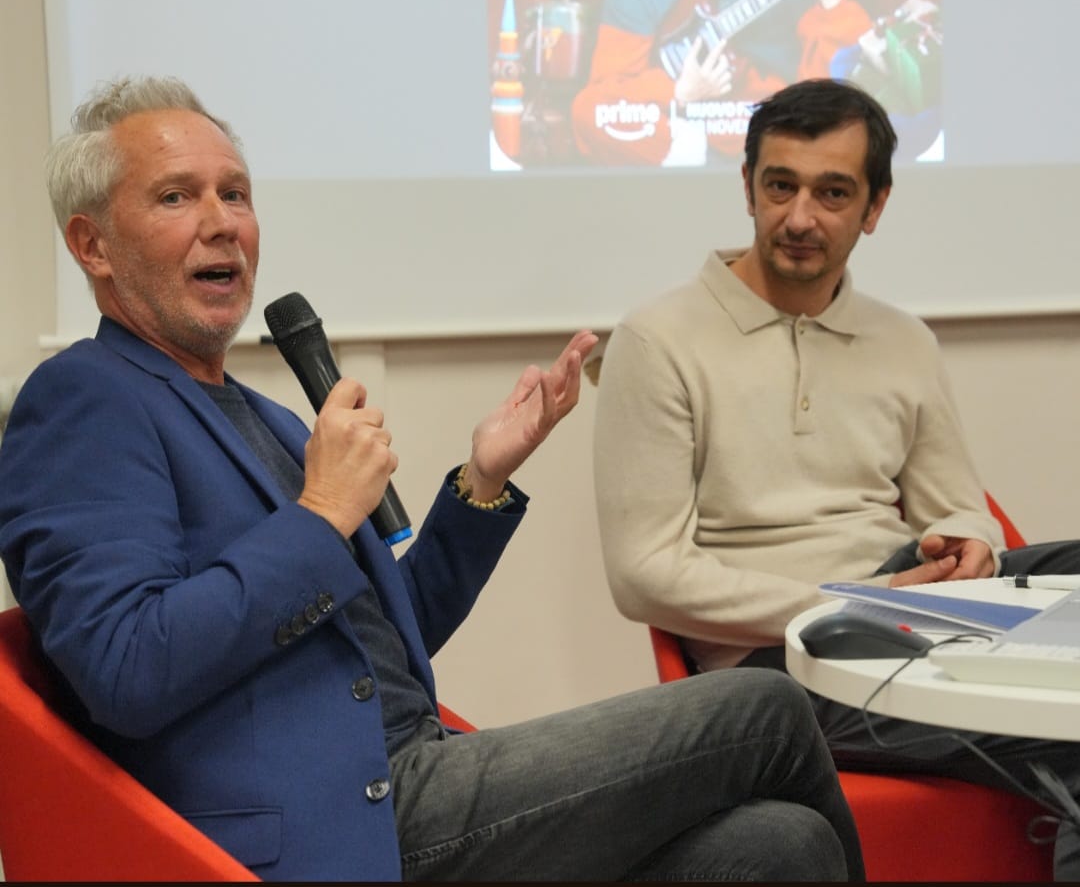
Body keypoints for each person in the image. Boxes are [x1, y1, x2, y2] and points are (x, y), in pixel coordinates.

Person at [0, 76, 864, 882]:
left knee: (782, 845)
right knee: (765, 708)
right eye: (176, 197)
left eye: (236, 193)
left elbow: (385, 638)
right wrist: (320, 513)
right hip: (333, 820)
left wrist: (482, 481)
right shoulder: (85, 399)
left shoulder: (265, 418)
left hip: (417, 773)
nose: (222, 223)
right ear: (92, 245)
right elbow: (125, 668)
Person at [593, 77, 1080, 879]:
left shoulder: (904, 340)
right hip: (783, 662)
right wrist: (853, 602)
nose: (799, 218)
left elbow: (960, 510)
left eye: (832, 193)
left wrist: (969, 546)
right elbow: (643, 575)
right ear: (747, 187)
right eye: (779, 186)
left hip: (909, 610)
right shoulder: (657, 340)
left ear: (874, 206)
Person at [570, 0, 870, 166]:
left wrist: (832, 1)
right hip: (668, 131)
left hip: (764, 127)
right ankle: (702, 163)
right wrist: (679, 93)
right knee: (587, 110)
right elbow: (605, 96)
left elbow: (832, 91)